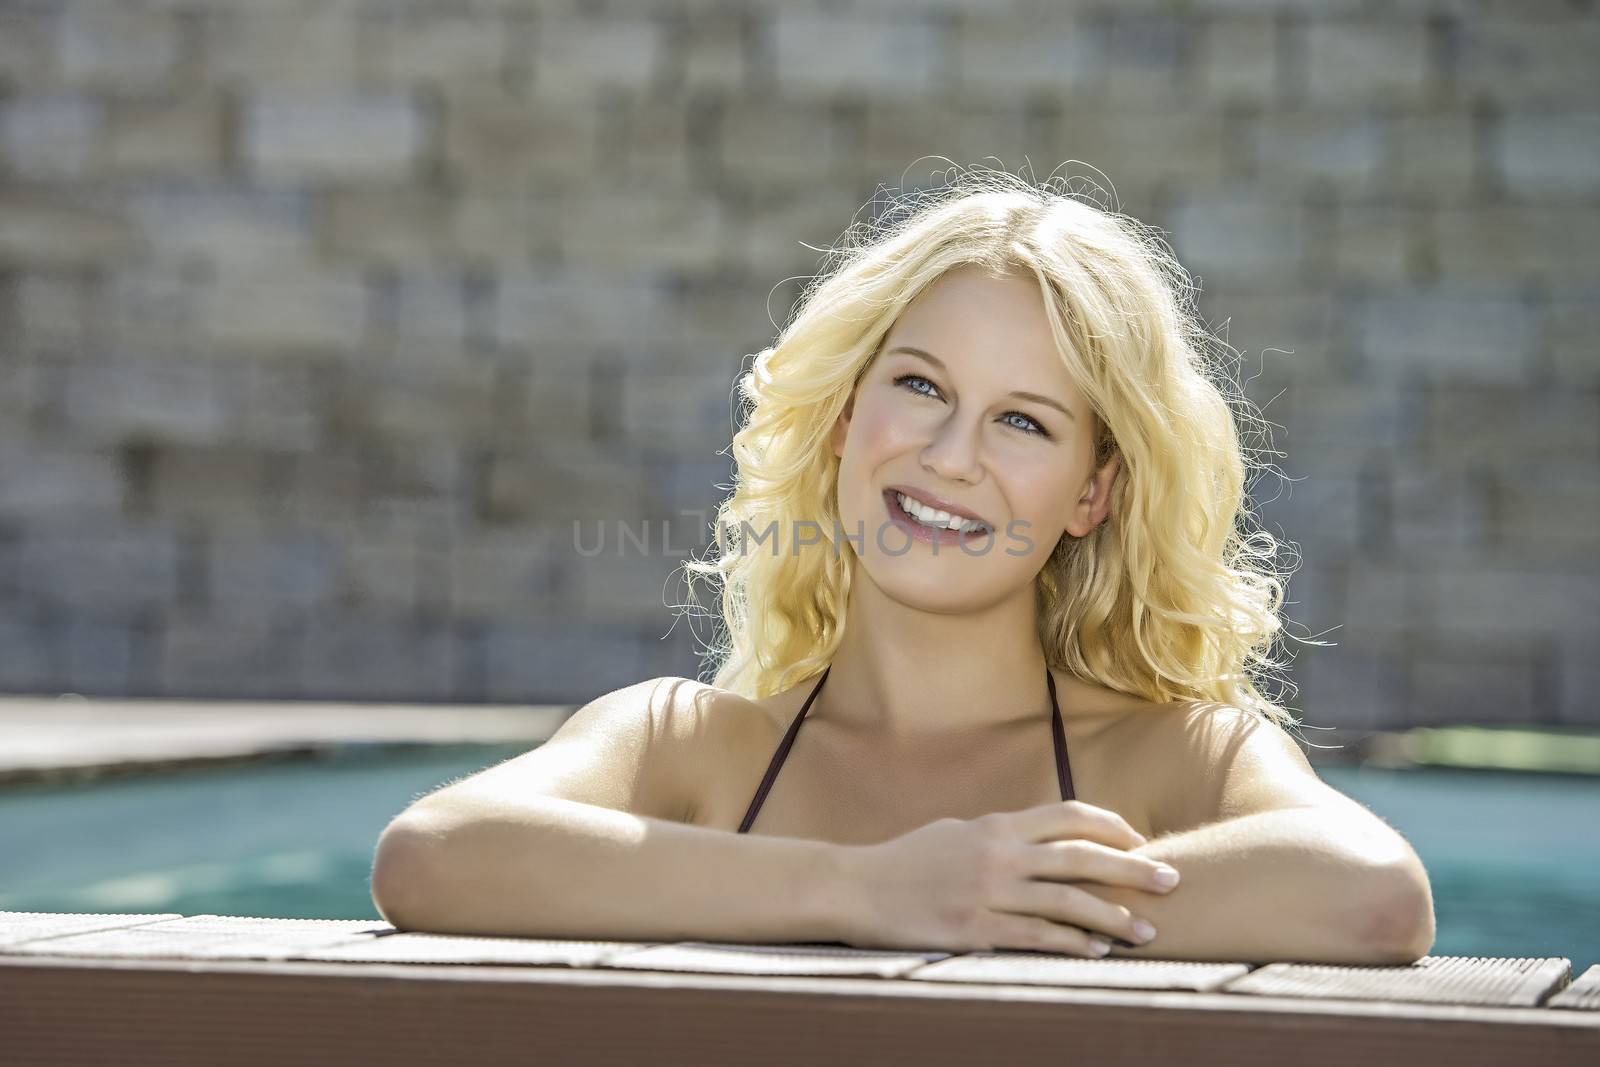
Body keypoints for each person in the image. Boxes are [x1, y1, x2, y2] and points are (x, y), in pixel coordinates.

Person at [373, 167, 1435, 965]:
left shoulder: (1181, 757)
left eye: (1021, 419)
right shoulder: (684, 743)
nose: (950, 456)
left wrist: (985, 896)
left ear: (1091, 491)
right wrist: (870, 888)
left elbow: (1373, 893)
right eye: (921, 386)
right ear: (844, 415)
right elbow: (431, 854)